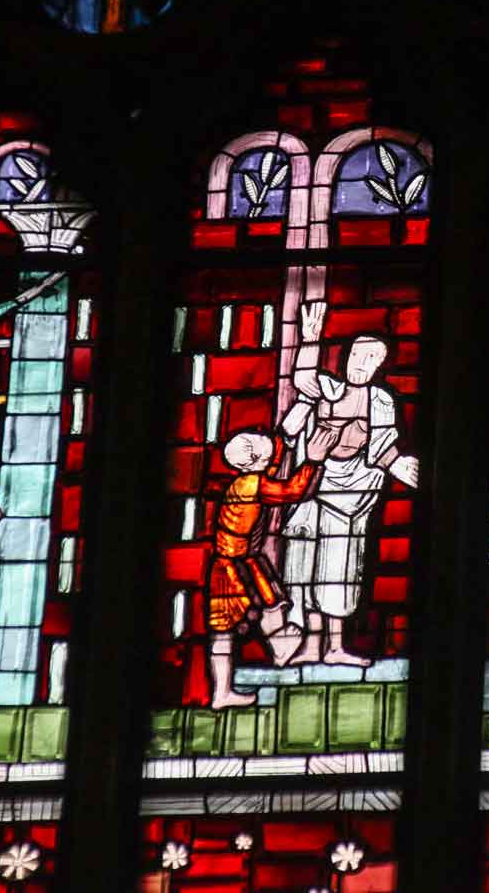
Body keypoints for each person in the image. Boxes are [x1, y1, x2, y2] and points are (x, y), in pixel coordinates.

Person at [278, 301, 419, 667]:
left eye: (371, 358)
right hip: (314, 486)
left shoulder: (381, 401)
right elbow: (303, 381)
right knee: (304, 566)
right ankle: (311, 645)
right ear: (346, 357)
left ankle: (336, 646)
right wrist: (310, 339)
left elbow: (383, 448)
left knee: (338, 570)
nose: (360, 363)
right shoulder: (327, 387)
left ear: (380, 365)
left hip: (352, 493)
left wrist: (402, 467)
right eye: (357, 355)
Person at [206, 428, 334, 708]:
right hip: (232, 567)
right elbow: (291, 491)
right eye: (265, 451)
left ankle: (279, 649)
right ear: (254, 460)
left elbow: (272, 466)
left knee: (270, 602)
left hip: (242, 560)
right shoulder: (253, 485)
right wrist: (313, 460)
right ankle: (221, 693)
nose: (270, 454)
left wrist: (284, 435)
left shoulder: (246, 480)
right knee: (225, 629)